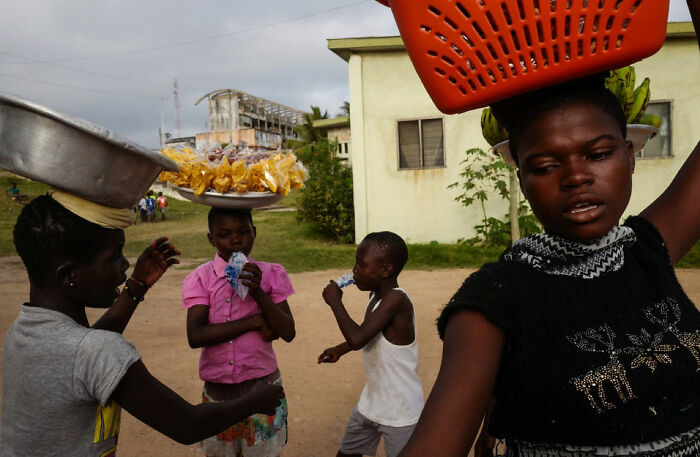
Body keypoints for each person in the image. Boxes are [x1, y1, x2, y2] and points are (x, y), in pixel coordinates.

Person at [397, 8, 700, 455]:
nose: (575, 176)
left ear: (630, 156)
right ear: (521, 178)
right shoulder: (493, 303)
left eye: (597, 154)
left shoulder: (646, 251)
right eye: (545, 165)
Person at [0, 193, 284, 457]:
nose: (125, 264)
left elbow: (85, 348)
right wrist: (255, 400)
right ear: (68, 275)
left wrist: (136, 285)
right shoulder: (99, 352)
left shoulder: (23, 330)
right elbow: (187, 424)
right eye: (114, 257)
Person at [183, 206, 296, 457]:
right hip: (219, 396)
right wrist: (255, 321)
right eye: (224, 234)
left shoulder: (270, 274)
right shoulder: (201, 278)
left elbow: (287, 331)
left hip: (262, 388)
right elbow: (196, 335)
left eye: (244, 232)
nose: (235, 240)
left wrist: (258, 291)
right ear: (211, 239)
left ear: (254, 232)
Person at [319, 231, 424, 457]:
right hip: (372, 403)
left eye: (361, 265)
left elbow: (357, 339)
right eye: (355, 264)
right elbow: (368, 334)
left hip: (400, 411)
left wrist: (335, 302)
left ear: (386, 270)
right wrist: (340, 349)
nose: (355, 271)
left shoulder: (397, 300)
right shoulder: (376, 296)